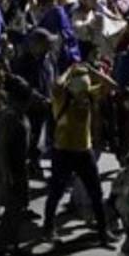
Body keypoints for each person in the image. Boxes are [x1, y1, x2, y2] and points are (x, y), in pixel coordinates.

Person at [42, 64, 115, 246]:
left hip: (84, 150)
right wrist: (68, 70)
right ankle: (48, 229)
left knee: (96, 193)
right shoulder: (62, 97)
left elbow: (112, 86)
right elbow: (56, 85)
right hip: (63, 151)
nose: (83, 96)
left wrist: (92, 70)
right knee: (56, 192)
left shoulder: (89, 94)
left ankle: (103, 231)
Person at [0, 76, 34, 256]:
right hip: (12, 171)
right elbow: (2, 148)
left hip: (20, 168)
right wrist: (6, 175)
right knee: (11, 212)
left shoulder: (19, 114)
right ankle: (1, 249)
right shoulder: (10, 117)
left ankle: (13, 247)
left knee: (18, 212)